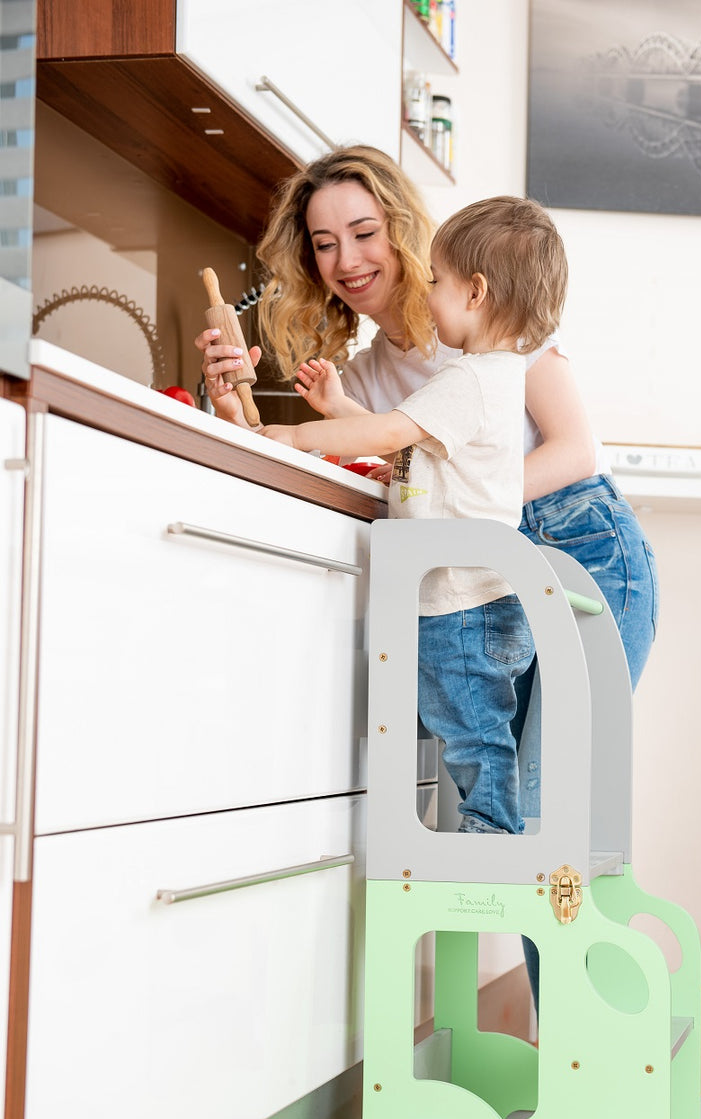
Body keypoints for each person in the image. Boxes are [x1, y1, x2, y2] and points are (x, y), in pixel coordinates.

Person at [195, 146, 658, 1001]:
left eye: (363, 231)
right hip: (489, 578)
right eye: (323, 244)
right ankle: (572, 1032)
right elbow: (369, 463)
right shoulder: (370, 376)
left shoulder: (495, 321)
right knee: (525, 806)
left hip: (582, 551)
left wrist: (468, 505)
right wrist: (235, 407)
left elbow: (574, 449)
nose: (346, 259)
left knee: (549, 798)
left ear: (404, 232)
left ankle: (589, 1029)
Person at [258, 195, 565, 836]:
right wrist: (340, 406)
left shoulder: (469, 378)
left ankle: (491, 836)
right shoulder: (492, 377)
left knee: (473, 736)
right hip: (480, 599)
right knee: (473, 727)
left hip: (462, 604)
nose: (425, 293)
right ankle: (487, 831)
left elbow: (393, 431)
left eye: (435, 281)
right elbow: (409, 440)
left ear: (474, 293)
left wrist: (298, 435)